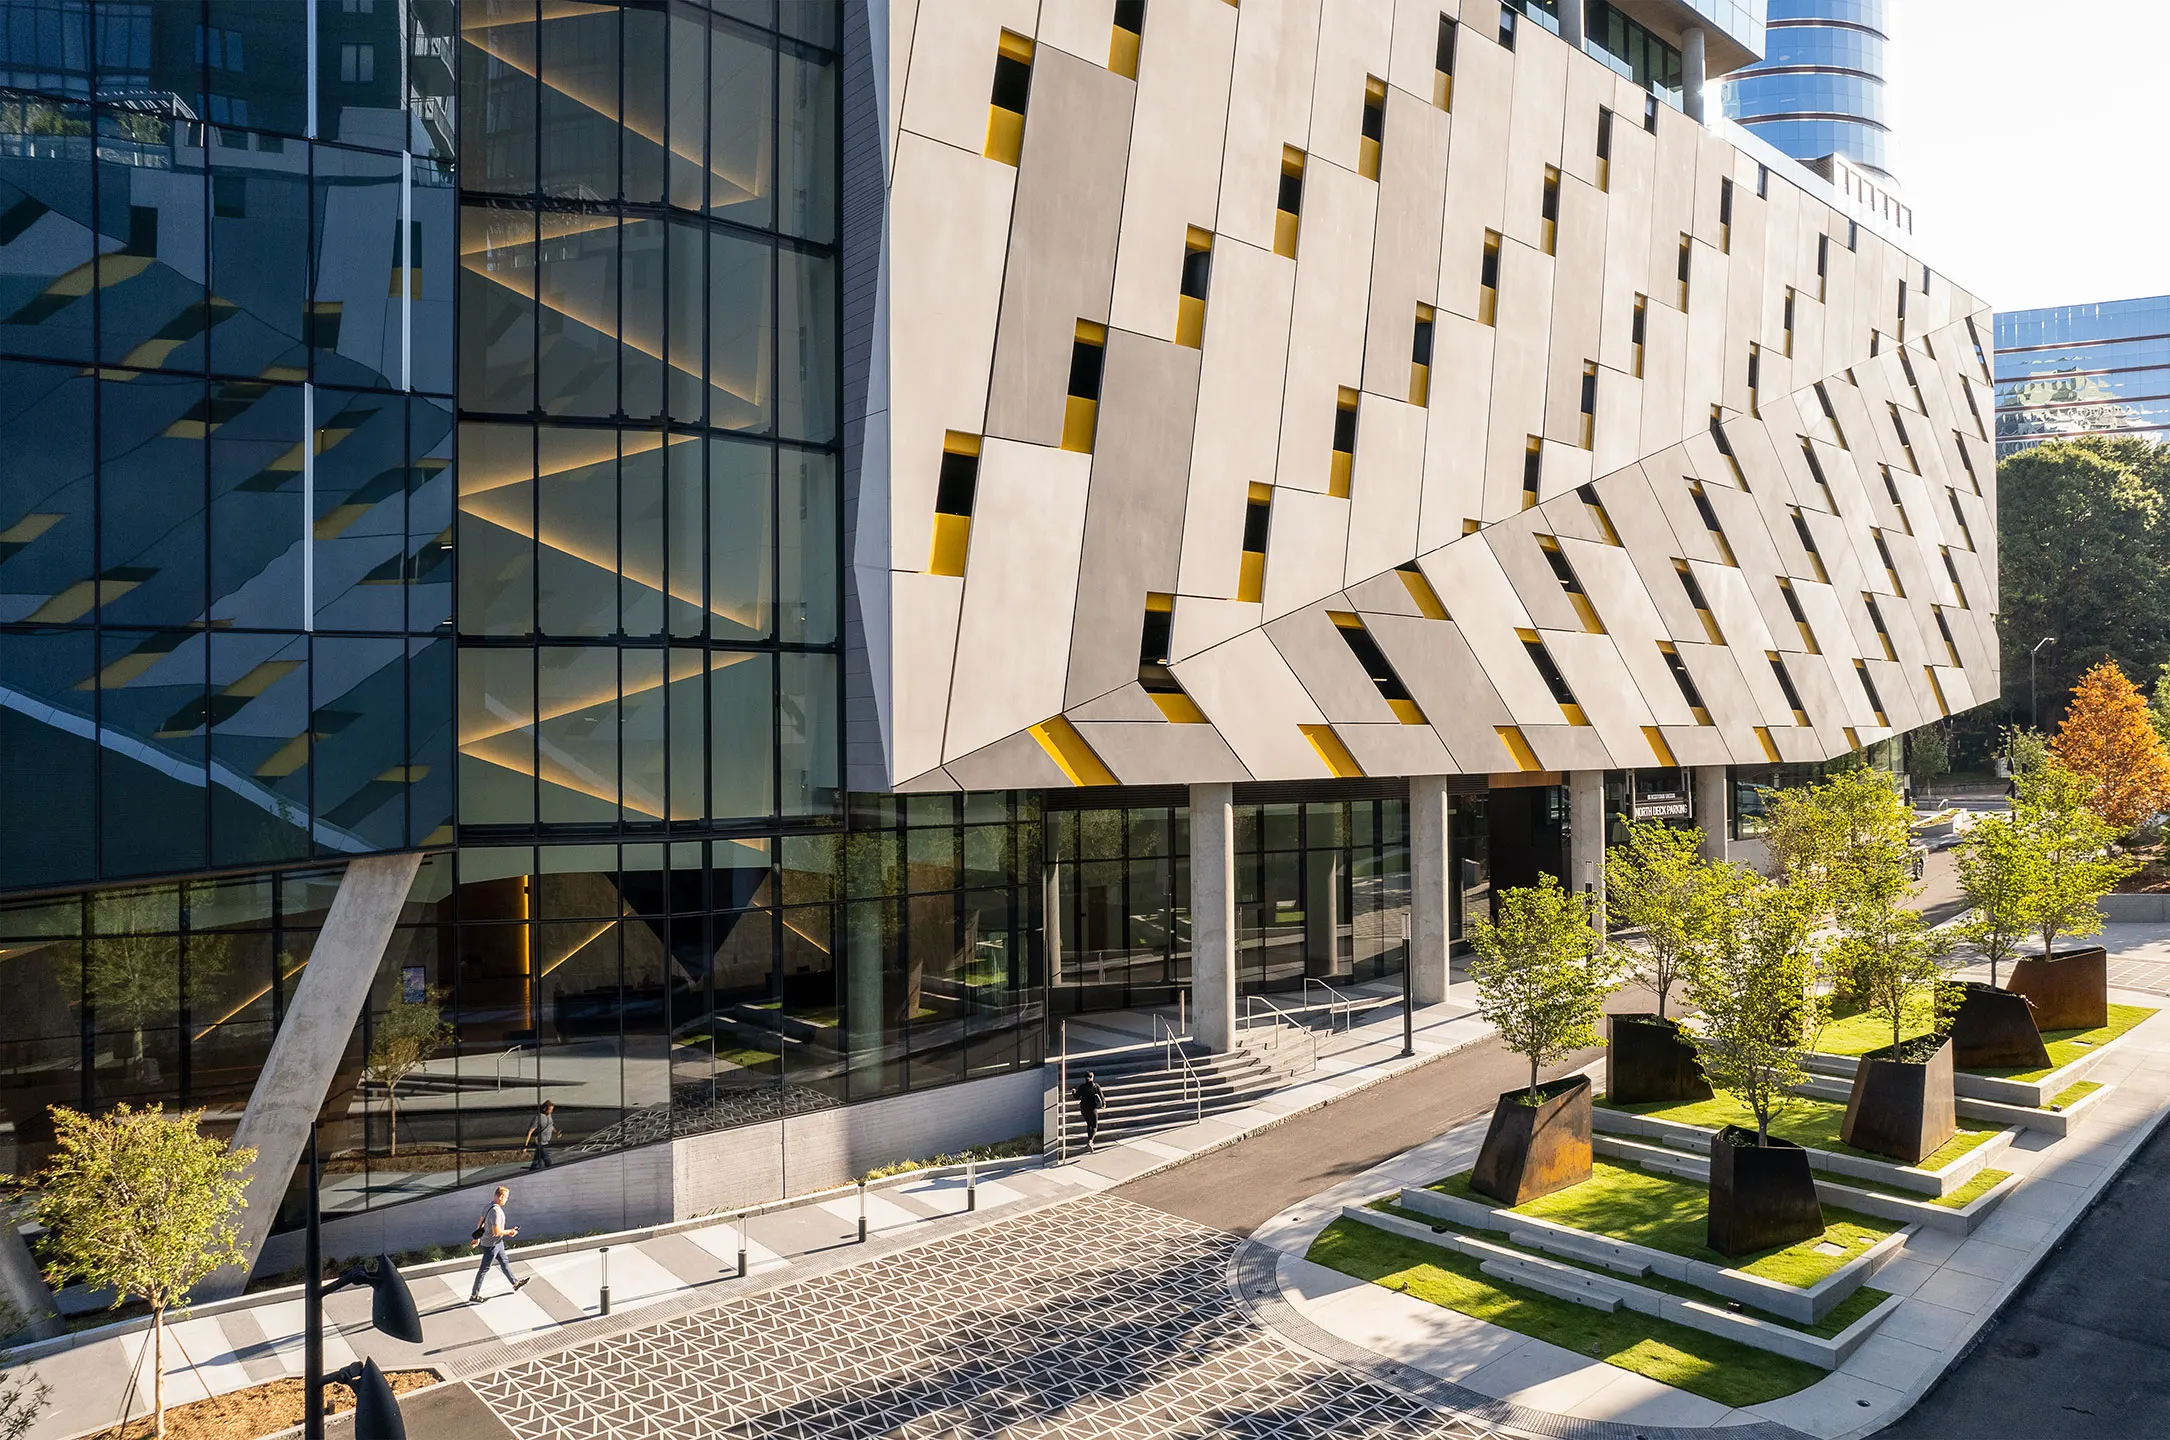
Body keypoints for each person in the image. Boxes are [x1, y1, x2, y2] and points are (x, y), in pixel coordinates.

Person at [469, 1185, 530, 1302]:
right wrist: (510, 1232)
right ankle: (474, 1296)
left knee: (504, 1261)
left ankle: (515, 1283)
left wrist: (477, 1238)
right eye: (506, 1197)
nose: (507, 1200)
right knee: (484, 1269)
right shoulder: (496, 1212)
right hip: (491, 1245)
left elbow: (480, 1222)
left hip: (497, 1242)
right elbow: (496, 1232)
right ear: (501, 1197)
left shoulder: (488, 1206)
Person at [1072, 1071, 1106, 1151]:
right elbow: (1101, 1096)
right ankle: (1090, 1141)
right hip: (1092, 1108)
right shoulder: (1096, 1086)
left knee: (1088, 1124)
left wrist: (1073, 1092)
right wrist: (1103, 1104)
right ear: (1092, 1077)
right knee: (1094, 1126)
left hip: (1084, 1108)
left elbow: (1076, 1097)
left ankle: (1089, 1140)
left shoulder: (1082, 1087)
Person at [525, 1099, 557, 1170]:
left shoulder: (549, 1115)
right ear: (545, 1109)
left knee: (537, 1160)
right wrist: (525, 1146)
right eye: (550, 1109)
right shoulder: (538, 1118)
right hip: (540, 1143)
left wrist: (556, 1132)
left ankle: (533, 1169)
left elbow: (550, 1125)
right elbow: (530, 1131)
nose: (551, 1111)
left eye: (552, 1110)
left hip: (546, 1142)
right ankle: (551, 1170)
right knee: (548, 1161)